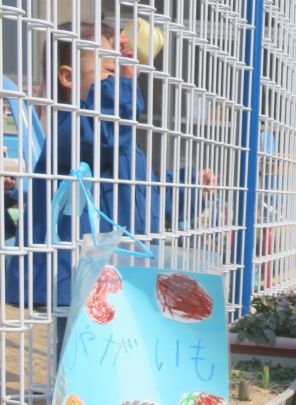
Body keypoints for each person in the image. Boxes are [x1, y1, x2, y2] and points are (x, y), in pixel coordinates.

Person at [4, 21, 214, 310]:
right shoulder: (71, 130)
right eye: (108, 69)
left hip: (118, 278)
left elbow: (149, 198)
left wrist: (191, 189)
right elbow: (104, 130)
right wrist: (125, 83)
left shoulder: (124, 146)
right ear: (68, 77)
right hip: (76, 280)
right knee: (80, 352)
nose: (118, 73)